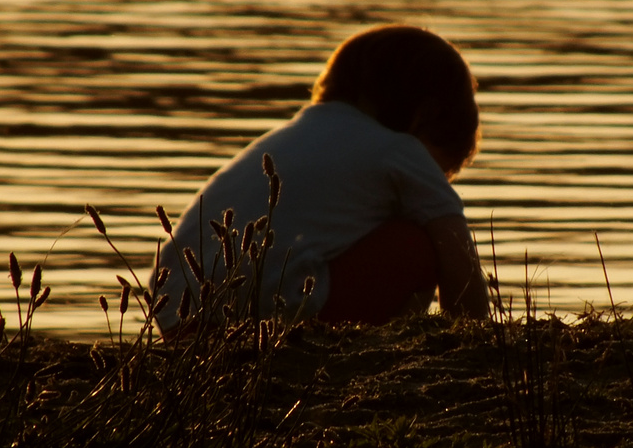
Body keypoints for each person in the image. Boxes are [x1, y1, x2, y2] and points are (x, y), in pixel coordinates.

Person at [149, 24, 491, 332]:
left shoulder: (287, 139)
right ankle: (378, 357)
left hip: (178, 315)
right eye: (439, 170)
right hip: (273, 316)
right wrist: (474, 339)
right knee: (422, 242)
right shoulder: (399, 148)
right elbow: (458, 255)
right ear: (425, 117)